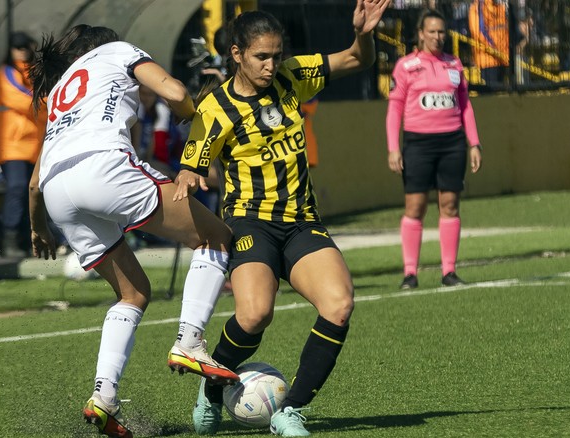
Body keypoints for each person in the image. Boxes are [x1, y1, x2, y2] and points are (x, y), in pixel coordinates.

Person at [173, 1, 390, 436]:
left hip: (302, 221)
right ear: (236, 54)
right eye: (261, 57)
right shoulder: (215, 108)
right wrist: (188, 175)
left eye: (276, 54)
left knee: (339, 304)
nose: (272, 65)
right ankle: (213, 389)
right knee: (255, 315)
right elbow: (191, 163)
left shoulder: (293, 75)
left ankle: (289, 410)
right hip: (250, 223)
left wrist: (363, 35)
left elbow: (356, 59)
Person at [26, 24, 240, 438]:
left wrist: (39, 230)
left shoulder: (61, 90)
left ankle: (103, 397)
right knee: (215, 236)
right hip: (103, 167)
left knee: (133, 293)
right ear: (105, 43)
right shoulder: (117, 51)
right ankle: (190, 342)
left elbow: (34, 184)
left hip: (57, 192)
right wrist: (189, 117)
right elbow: (176, 93)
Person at [386, 9, 482, 290]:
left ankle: (449, 271)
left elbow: (465, 105)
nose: (438, 37)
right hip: (418, 144)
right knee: (415, 206)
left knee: (450, 205)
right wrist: (394, 147)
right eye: (432, 32)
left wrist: (474, 143)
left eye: (442, 32)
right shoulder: (406, 66)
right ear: (420, 34)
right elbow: (394, 109)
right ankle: (410, 273)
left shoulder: (454, 65)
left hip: (452, 143)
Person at [0, 31, 47, 257]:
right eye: (17, 47)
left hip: (32, 146)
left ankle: (25, 239)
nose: (21, 51)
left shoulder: (33, 73)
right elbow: (27, 101)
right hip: (11, 145)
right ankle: (8, 237)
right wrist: (51, 101)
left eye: (24, 47)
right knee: (17, 188)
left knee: (33, 192)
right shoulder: (7, 73)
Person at [468, 0, 509, 87]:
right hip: (488, 60)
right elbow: (479, 33)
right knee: (492, 94)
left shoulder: (501, 7)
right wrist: (495, 50)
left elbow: (506, 31)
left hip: (504, 59)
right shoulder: (477, 8)